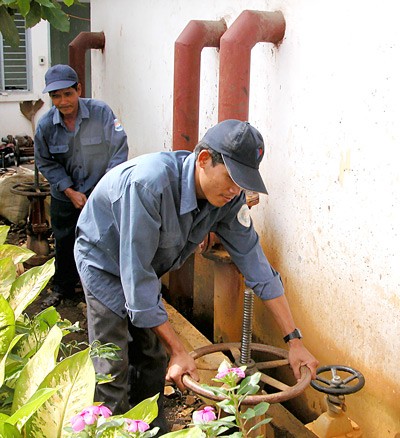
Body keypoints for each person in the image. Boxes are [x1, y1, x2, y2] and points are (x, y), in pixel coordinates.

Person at [74, 119, 319, 434]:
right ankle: (111, 428)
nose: (235, 191)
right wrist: (179, 349)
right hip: (104, 262)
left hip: (144, 266)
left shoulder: (228, 202)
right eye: (231, 178)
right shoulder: (149, 185)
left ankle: (150, 427)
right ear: (204, 160)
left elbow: (257, 267)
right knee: (113, 366)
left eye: (243, 182)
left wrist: (294, 340)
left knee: (151, 358)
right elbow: (138, 282)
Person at [34, 64, 129, 308]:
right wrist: (69, 190)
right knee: (65, 241)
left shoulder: (101, 113)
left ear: (79, 89)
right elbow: (44, 161)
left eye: (68, 93)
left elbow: (118, 150)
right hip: (65, 196)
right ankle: (63, 287)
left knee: (104, 240)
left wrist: (104, 189)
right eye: (56, 96)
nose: (63, 101)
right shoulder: (45, 126)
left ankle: (102, 290)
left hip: (101, 194)